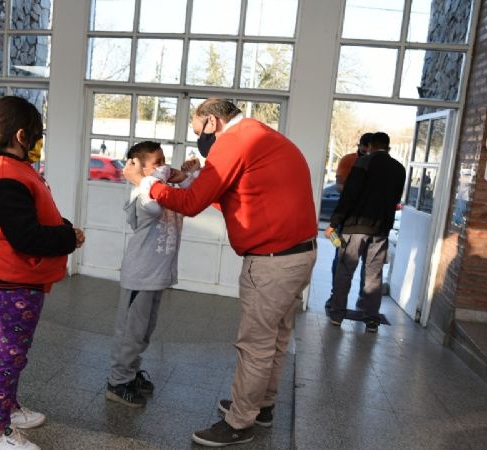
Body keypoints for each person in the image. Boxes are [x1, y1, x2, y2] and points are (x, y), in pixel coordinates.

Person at [123, 98, 317, 447]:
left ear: (212, 122)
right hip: (298, 255)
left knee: (255, 345)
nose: (199, 139)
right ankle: (261, 406)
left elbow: (191, 204)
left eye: (197, 130)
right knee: (275, 339)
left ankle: (240, 423)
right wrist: (194, 179)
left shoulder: (234, 141)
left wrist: (146, 183)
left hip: (272, 262)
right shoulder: (260, 136)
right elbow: (237, 194)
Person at [0, 95, 84, 450]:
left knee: (11, 350)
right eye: (37, 135)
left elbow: (34, 217)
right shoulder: (6, 177)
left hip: (19, 280)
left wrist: (63, 228)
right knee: (10, 356)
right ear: (21, 135)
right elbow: (27, 236)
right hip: (16, 283)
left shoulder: (13, 170)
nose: (39, 142)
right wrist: (68, 237)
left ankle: (9, 409)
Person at [106, 141, 199, 408]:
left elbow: (193, 193)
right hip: (140, 276)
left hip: (157, 277)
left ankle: (131, 373)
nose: (164, 166)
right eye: (157, 163)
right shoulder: (141, 194)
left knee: (144, 332)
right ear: (139, 168)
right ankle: (117, 381)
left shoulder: (163, 190)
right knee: (130, 332)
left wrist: (191, 172)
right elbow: (154, 207)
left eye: (164, 160)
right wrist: (142, 179)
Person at [325, 132, 406, 332]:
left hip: (355, 228)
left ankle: (337, 315)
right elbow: (395, 199)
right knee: (373, 275)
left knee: (345, 271)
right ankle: (371, 319)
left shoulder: (362, 164)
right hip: (380, 231)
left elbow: (349, 196)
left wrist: (335, 222)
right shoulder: (399, 169)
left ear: (370, 146)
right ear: (388, 147)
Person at [325, 132, 372, 312]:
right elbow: (340, 187)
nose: (367, 152)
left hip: (370, 222)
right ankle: (335, 295)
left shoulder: (378, 164)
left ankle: (363, 299)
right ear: (360, 146)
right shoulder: (348, 160)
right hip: (347, 220)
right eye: (365, 148)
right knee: (341, 259)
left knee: (368, 265)